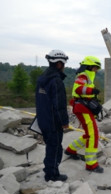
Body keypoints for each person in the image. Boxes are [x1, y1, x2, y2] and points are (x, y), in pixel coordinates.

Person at [65, 56, 104, 173]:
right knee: (93, 135)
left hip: (82, 107)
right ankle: (91, 164)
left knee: (88, 134)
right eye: (95, 67)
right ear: (89, 66)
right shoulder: (83, 76)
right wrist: (92, 91)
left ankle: (71, 150)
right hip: (82, 107)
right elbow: (78, 89)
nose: (96, 70)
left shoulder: (87, 76)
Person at [35, 49, 69, 182]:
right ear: (59, 64)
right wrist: (64, 122)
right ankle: (52, 174)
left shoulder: (42, 78)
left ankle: (50, 170)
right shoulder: (56, 81)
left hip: (43, 119)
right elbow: (59, 105)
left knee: (50, 146)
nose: (64, 66)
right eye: (63, 63)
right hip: (53, 122)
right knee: (55, 148)